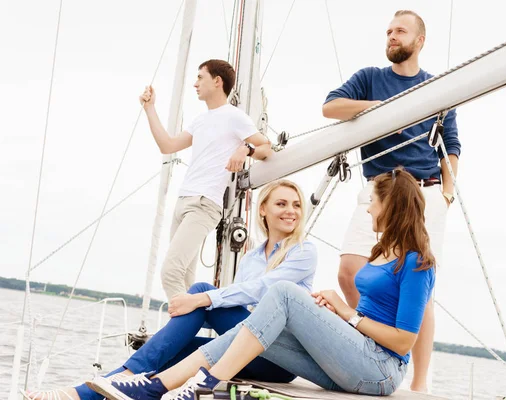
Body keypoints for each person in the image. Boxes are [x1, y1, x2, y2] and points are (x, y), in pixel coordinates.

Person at [90, 167, 436, 400]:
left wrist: (346, 313)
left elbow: (404, 341)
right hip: (349, 359)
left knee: (282, 293)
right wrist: (337, 316)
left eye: (373, 203)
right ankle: (154, 386)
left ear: (390, 205)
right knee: (251, 325)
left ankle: (200, 383)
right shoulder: (380, 251)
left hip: (380, 371)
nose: (369, 211)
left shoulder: (418, 262)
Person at [22, 180, 318, 400]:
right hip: (246, 347)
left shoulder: (304, 252)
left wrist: (202, 298)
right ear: (263, 209)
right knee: (172, 347)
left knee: (201, 292)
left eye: (296, 205)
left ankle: (120, 377)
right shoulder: (253, 256)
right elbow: (242, 301)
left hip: (280, 357)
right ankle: (81, 393)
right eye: (282, 204)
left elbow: (259, 290)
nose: (291, 211)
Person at [322, 10, 461, 392]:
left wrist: (448, 191)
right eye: (388, 31)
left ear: (420, 41)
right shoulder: (370, 79)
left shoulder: (437, 88)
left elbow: (452, 145)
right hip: (379, 189)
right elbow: (330, 107)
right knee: (348, 269)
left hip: (424, 190)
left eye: (400, 31)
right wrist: (377, 110)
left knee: (418, 282)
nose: (391, 36)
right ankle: (369, 342)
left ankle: (419, 384)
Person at [142, 59, 273, 300]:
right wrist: (150, 109)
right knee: (184, 280)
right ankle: (189, 331)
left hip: (205, 203)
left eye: (200, 77)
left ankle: (178, 333)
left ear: (217, 81)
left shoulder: (235, 117)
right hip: (183, 201)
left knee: (170, 272)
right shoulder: (200, 120)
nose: (195, 84)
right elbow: (167, 145)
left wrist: (245, 150)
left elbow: (266, 146)